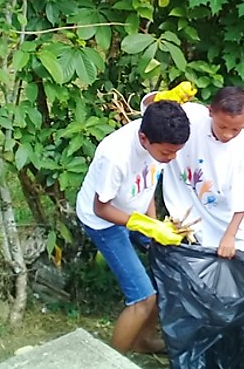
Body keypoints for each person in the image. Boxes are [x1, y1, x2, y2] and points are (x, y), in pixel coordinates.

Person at [75, 101, 190, 354]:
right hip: (103, 222)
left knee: (167, 269)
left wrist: (154, 225)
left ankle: (143, 341)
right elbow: (101, 208)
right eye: (167, 153)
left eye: (176, 152)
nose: (172, 159)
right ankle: (111, 360)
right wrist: (144, 225)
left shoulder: (159, 143)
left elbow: (147, 184)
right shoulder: (115, 156)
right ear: (143, 138)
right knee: (143, 298)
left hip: (133, 212)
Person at [143, 84, 244, 259]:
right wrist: (165, 96)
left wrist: (230, 236)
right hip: (184, 223)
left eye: (235, 129)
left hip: (225, 226)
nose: (227, 134)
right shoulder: (191, 116)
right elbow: (149, 110)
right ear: (210, 111)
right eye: (222, 126)